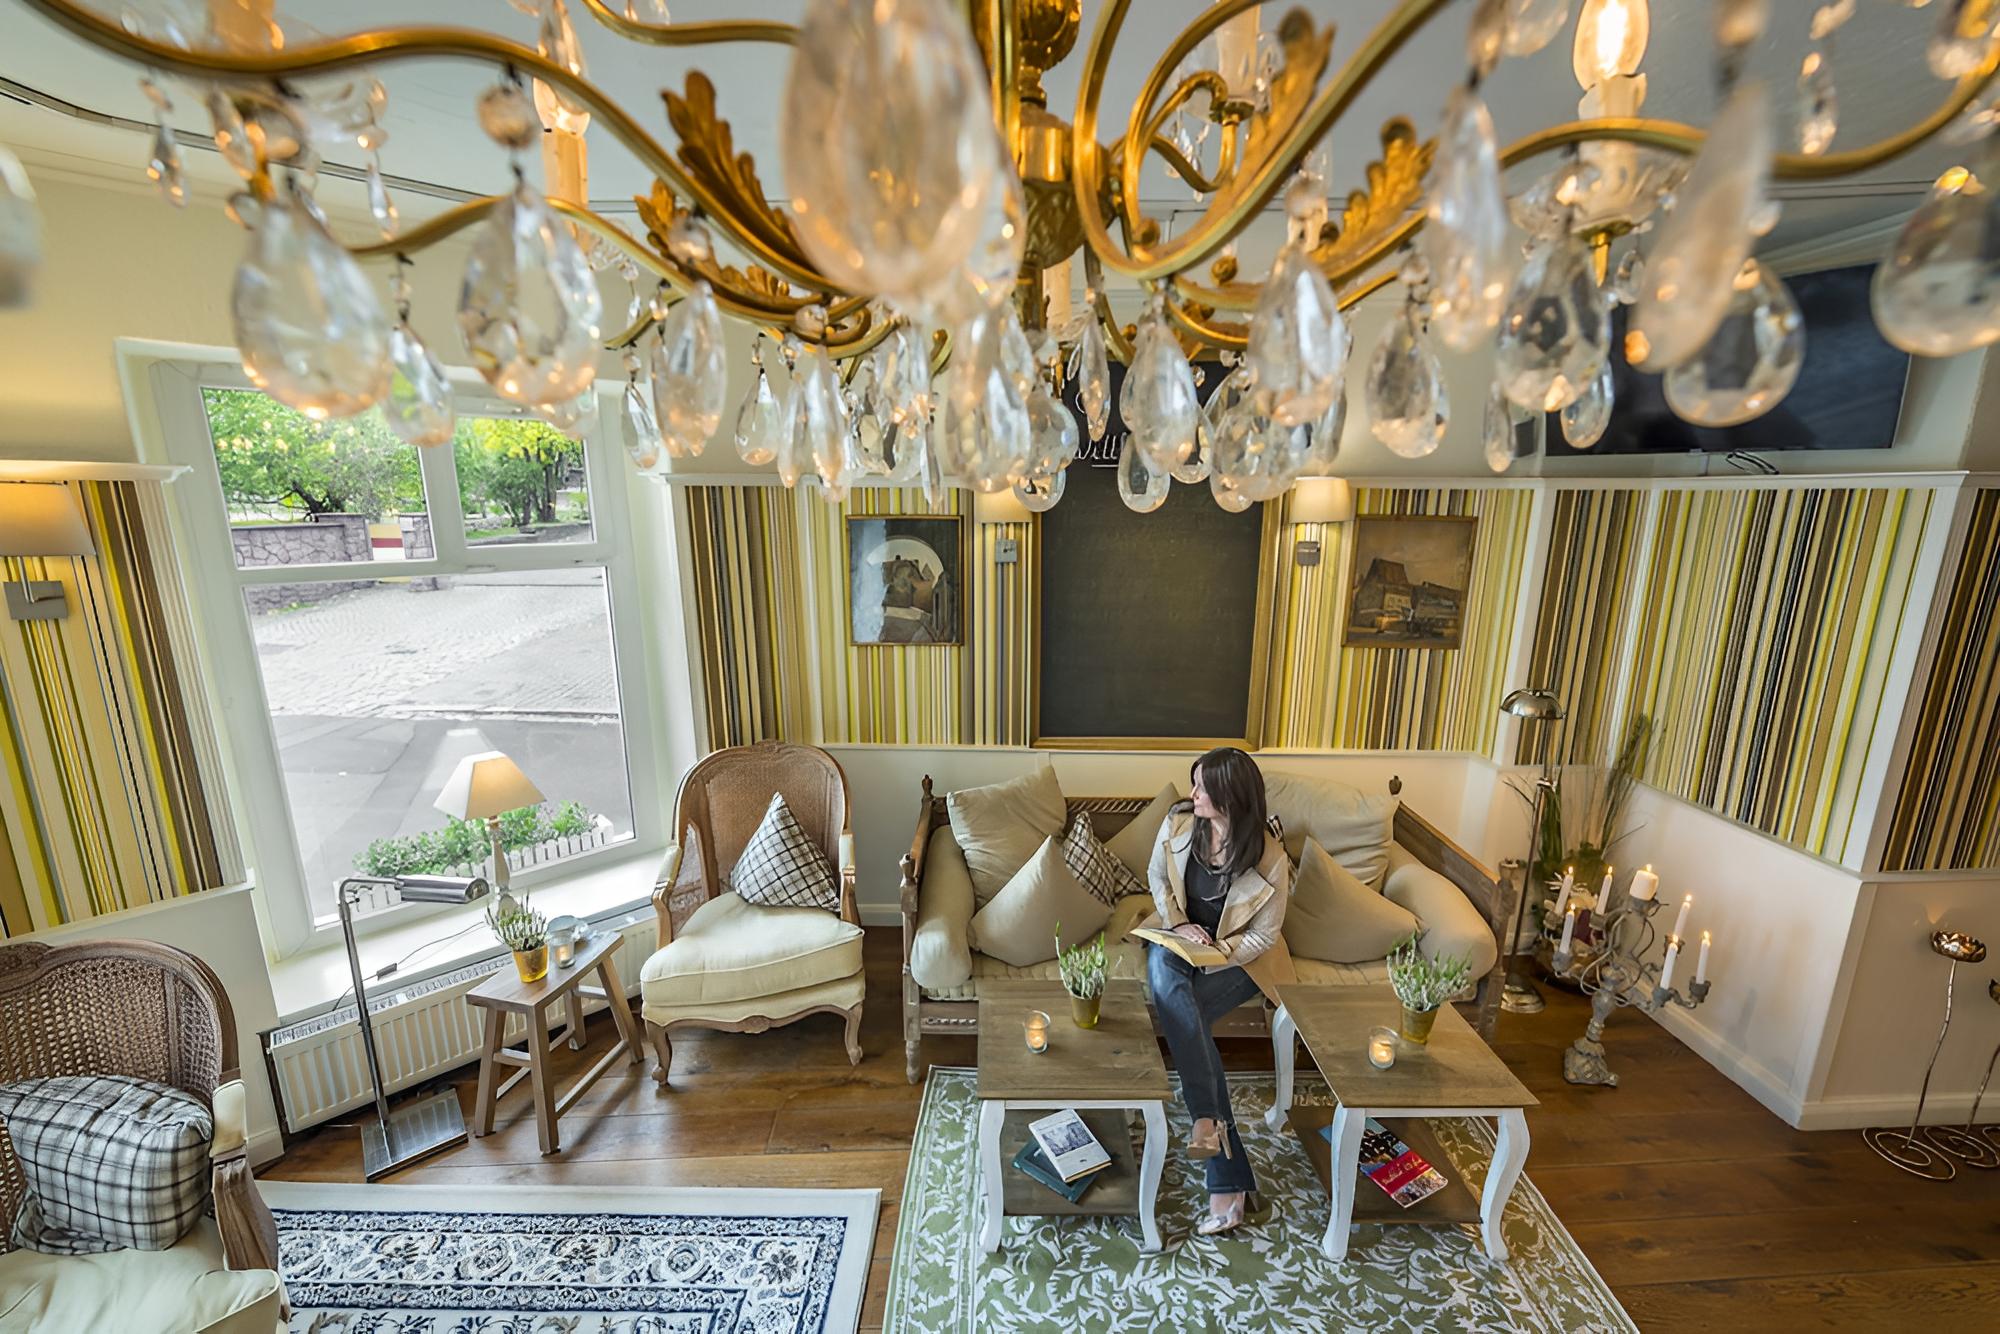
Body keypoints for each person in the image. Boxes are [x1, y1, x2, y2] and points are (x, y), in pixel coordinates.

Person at [1142, 746, 1295, 1237]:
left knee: (1183, 1019)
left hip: (1239, 959)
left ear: (1230, 796)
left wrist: (1216, 955)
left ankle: (1217, 1154)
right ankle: (1217, 1148)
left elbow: (1264, 938)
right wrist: (1179, 926)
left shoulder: (1269, 857)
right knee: (1167, 978)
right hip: (1180, 938)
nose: (1192, 794)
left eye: (1202, 787)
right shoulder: (1180, 823)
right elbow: (1157, 876)